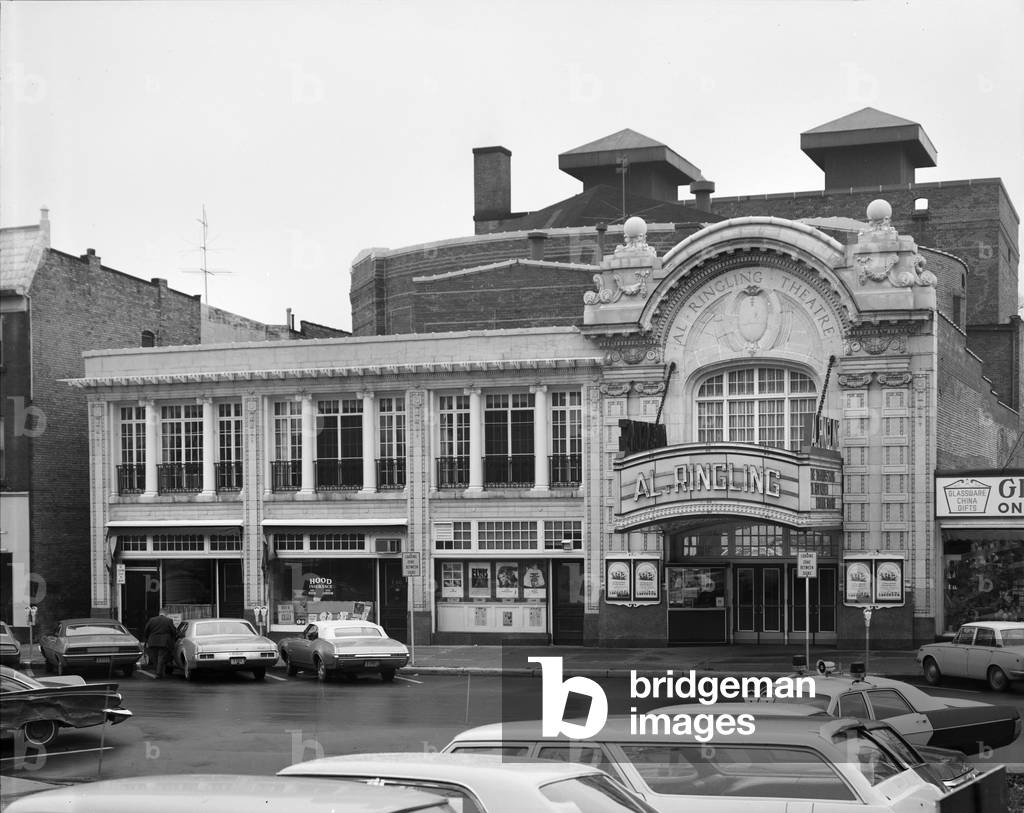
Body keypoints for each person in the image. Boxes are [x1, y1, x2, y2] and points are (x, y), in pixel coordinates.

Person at [143, 609, 178, 679]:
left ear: (159, 613)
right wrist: (172, 638)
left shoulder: (152, 620)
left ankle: (158, 672)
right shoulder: (168, 620)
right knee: (161, 657)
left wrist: (147, 639)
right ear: (166, 614)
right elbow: (174, 631)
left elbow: (146, 630)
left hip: (152, 641)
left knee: (155, 658)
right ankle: (159, 673)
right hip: (164, 642)